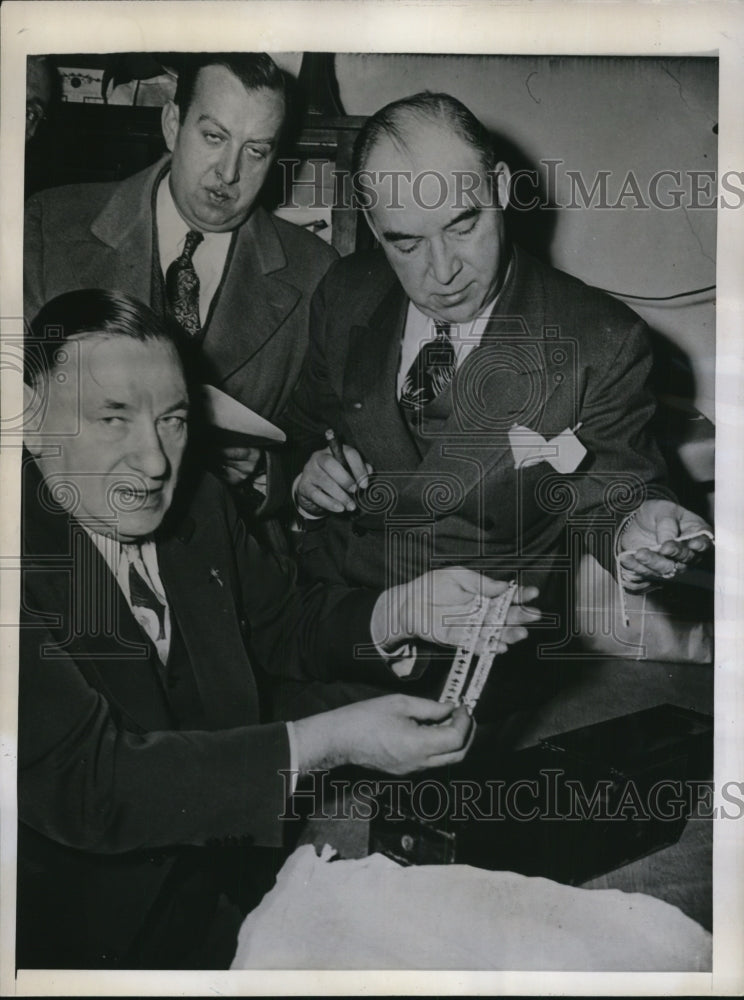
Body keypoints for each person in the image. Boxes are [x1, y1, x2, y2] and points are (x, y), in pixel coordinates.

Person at [17, 288, 537, 969]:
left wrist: (399, 611)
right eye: (113, 418)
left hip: (229, 875)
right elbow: (92, 786)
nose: (153, 462)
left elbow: (280, 623)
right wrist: (326, 743)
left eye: (173, 420)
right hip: (65, 938)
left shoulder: (197, 498)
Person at [281, 91, 712, 700]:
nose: (443, 271)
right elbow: (300, 431)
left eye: (463, 225)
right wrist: (307, 477)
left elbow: (615, 494)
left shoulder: (600, 340)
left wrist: (638, 533)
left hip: (466, 653)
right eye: (405, 243)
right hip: (321, 616)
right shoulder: (346, 292)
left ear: (503, 191)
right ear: (374, 227)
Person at [24, 52, 337, 518]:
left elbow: (322, 438)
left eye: (256, 151)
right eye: (214, 137)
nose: (228, 173)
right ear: (172, 123)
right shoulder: (47, 225)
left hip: (225, 559)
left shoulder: (315, 271)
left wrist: (266, 470)